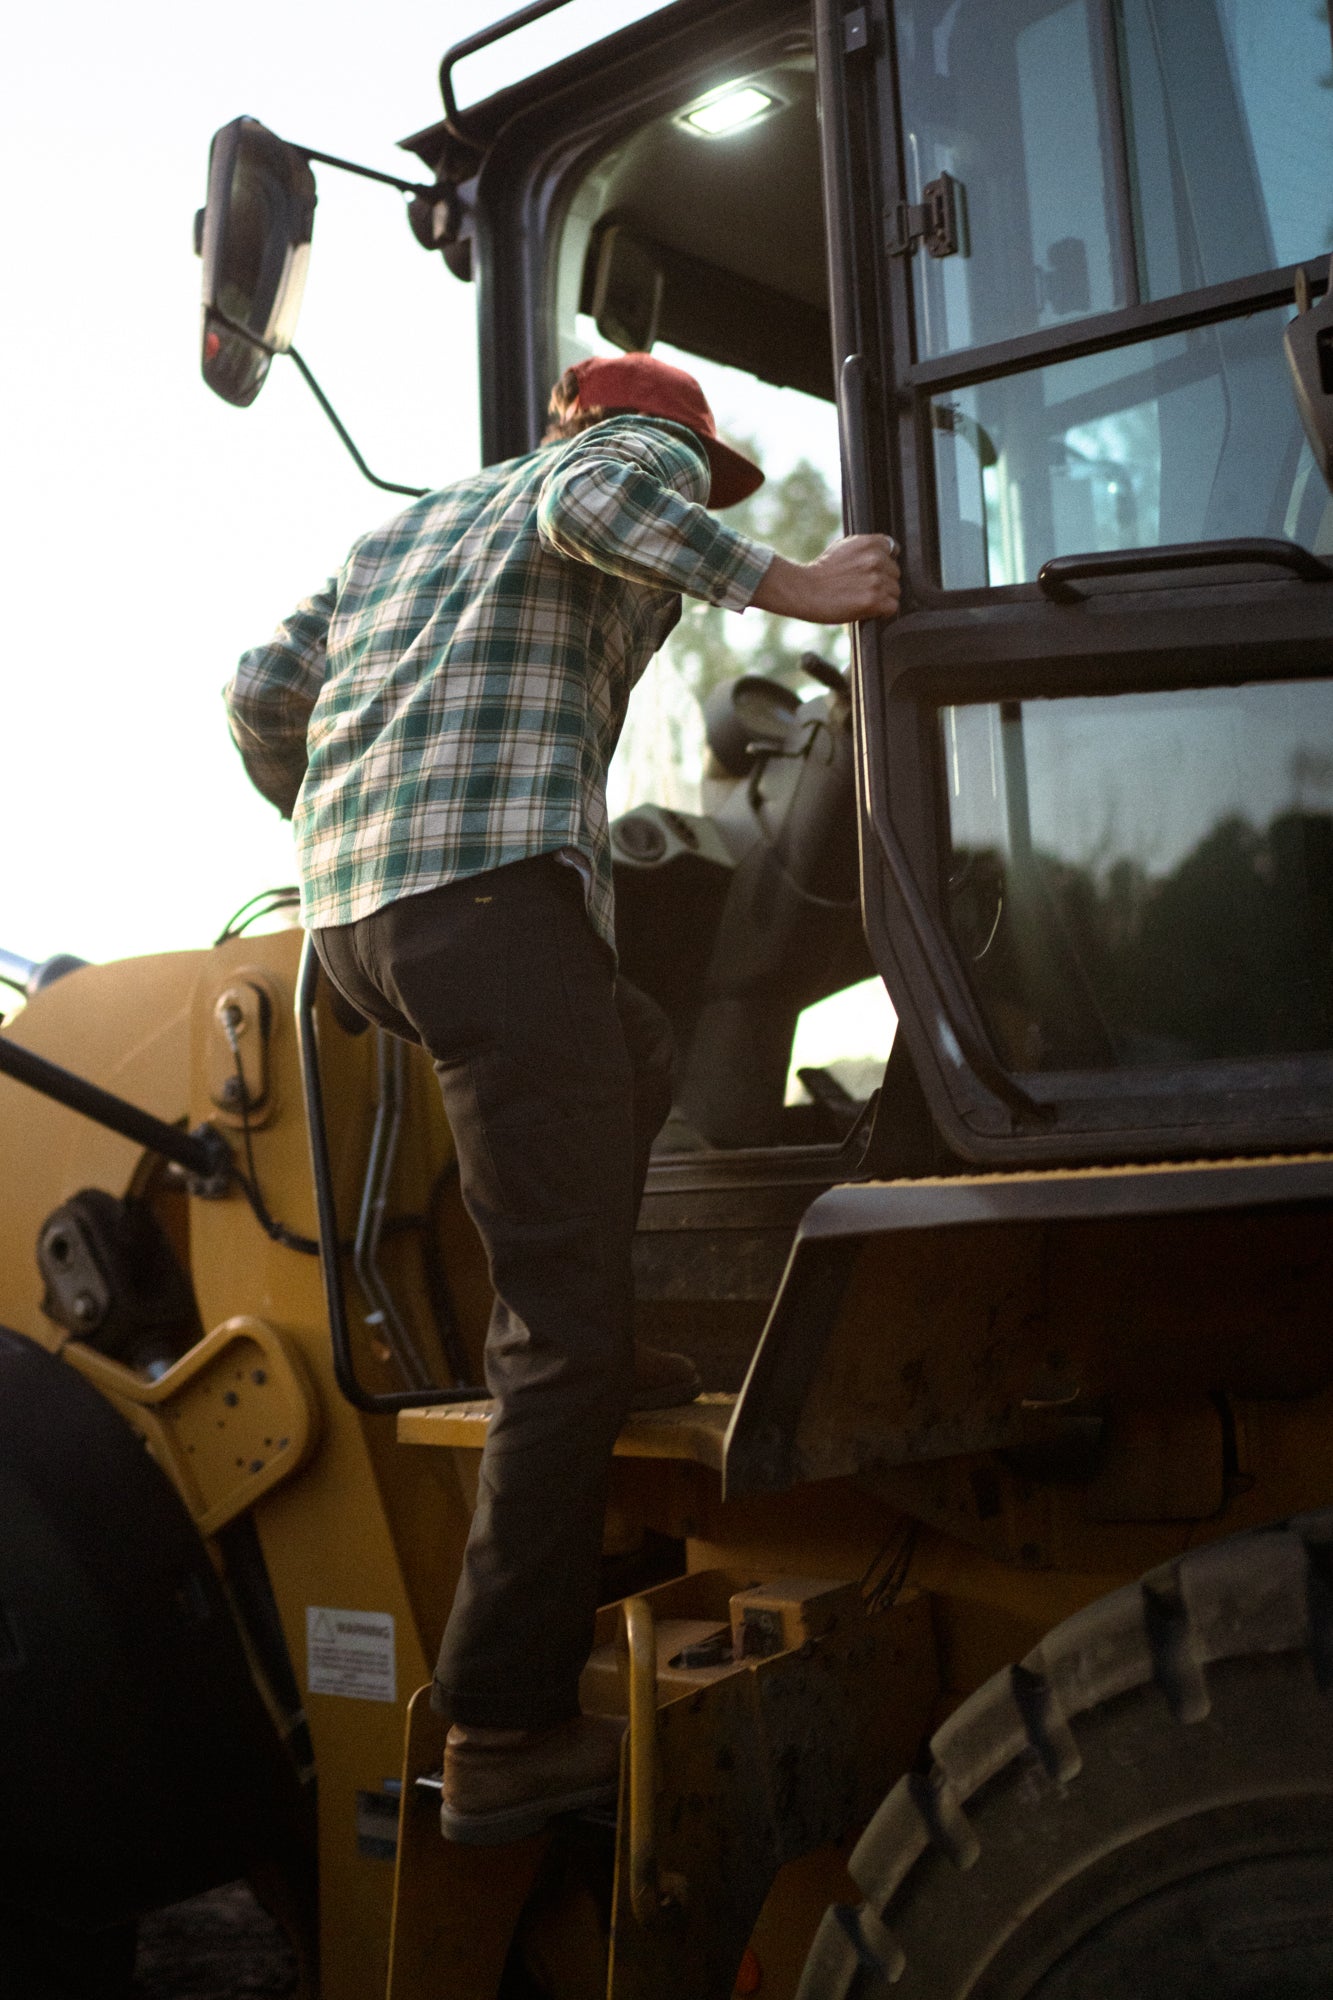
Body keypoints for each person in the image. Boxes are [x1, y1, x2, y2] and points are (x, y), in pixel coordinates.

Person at [224, 351, 901, 1844]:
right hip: (491, 901)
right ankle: (504, 1731)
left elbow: (263, 687)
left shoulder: (401, 532)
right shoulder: (616, 464)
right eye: (687, 472)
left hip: (362, 925)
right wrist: (801, 583)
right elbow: (606, 496)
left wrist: (346, 815)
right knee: (561, 1348)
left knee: (636, 1048)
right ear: (633, 434)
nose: (681, 500)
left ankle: (598, 1329)